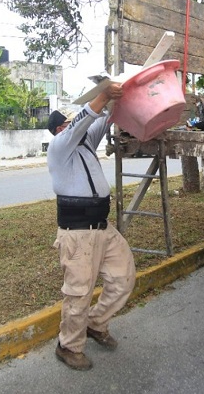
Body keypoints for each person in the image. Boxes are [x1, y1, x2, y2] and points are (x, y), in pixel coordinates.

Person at [46, 83, 136, 371]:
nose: (73, 125)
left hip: (102, 228)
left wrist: (120, 95)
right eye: (68, 123)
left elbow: (104, 116)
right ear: (61, 129)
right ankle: (68, 346)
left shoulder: (84, 143)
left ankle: (96, 324)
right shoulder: (60, 147)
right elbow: (86, 118)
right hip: (77, 235)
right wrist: (103, 95)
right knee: (78, 293)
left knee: (124, 278)